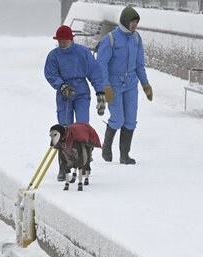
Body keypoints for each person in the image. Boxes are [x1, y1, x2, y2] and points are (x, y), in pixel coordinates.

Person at [44, 25, 110, 181]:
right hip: (64, 94)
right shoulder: (53, 56)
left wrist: (100, 92)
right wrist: (62, 85)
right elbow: (50, 74)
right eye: (60, 41)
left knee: (82, 128)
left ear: (71, 39)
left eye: (65, 40)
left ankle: (84, 163)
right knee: (64, 129)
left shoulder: (83, 52)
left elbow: (94, 71)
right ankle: (63, 167)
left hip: (81, 91)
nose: (63, 43)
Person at [96, 6, 153, 165]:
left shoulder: (136, 38)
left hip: (131, 83)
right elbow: (102, 64)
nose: (134, 25)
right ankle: (106, 147)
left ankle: (124, 155)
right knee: (118, 118)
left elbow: (140, 64)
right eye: (132, 21)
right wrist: (105, 86)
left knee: (131, 120)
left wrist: (145, 84)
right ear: (124, 21)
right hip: (114, 84)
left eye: (136, 22)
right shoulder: (111, 39)